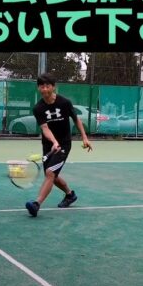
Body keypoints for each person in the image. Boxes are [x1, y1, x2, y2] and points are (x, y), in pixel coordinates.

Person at [25, 73, 92, 217]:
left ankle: (36, 204)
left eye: (47, 86)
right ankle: (70, 195)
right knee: (52, 176)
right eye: (41, 86)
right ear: (38, 88)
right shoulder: (38, 108)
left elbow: (76, 120)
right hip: (48, 145)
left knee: (50, 172)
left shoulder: (64, 103)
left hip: (64, 144)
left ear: (53, 87)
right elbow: (45, 128)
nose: (44, 89)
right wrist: (53, 142)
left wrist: (84, 138)